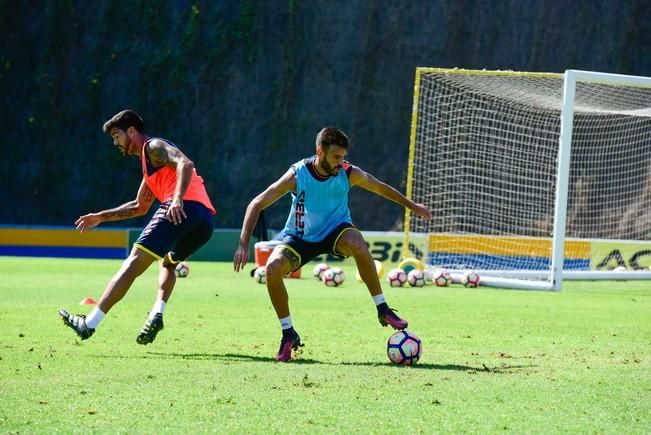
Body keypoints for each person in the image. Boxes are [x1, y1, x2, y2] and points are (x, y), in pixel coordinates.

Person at [233, 127, 432, 362]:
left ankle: (383, 309)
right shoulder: (298, 175)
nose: (341, 162)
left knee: (357, 242)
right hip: (300, 238)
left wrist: (412, 206)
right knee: (273, 268)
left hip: (336, 231)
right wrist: (243, 243)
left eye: (344, 157)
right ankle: (288, 334)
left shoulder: (348, 173)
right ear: (320, 151)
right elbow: (256, 203)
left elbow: (380, 187)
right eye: (336, 156)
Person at [59, 109, 216, 344]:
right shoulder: (150, 165)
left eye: (116, 136)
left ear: (131, 131)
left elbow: (186, 163)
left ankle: (89, 324)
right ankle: (157, 313)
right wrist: (100, 216)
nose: (116, 143)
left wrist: (176, 199)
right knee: (169, 263)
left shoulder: (154, 147)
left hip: (180, 209)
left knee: (133, 262)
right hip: (204, 221)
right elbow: (139, 206)